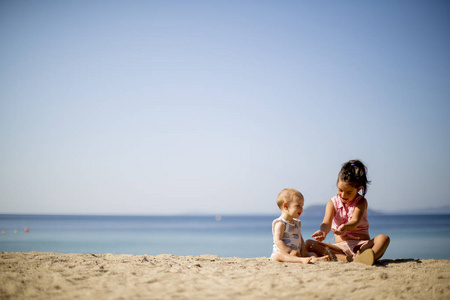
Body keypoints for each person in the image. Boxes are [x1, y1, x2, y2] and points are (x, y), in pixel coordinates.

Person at [306, 160, 390, 265]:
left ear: (359, 189)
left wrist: (345, 227)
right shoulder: (332, 203)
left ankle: (369, 256)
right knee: (309, 244)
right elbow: (326, 223)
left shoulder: (361, 202)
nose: (343, 195)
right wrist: (323, 231)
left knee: (383, 238)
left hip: (361, 246)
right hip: (340, 248)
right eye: (340, 190)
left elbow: (355, 221)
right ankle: (348, 259)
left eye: (348, 192)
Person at [271, 188, 330, 264]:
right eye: (298, 206)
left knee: (312, 254)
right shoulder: (281, 223)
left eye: (302, 206)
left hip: (296, 252)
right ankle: (300, 260)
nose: (301, 209)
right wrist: (290, 251)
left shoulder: (296, 223)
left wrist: (303, 249)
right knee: (279, 255)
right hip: (285, 253)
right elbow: (278, 241)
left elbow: (299, 237)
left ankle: (314, 259)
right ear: (285, 206)